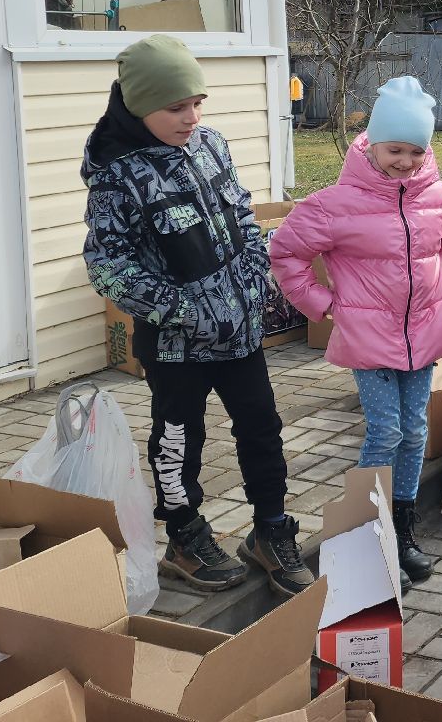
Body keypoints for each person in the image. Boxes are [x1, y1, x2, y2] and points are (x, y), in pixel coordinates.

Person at [82, 34, 314, 598]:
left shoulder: (211, 144)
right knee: (177, 438)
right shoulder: (118, 175)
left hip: (240, 332)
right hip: (175, 346)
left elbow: (241, 214)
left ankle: (270, 531)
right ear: (139, 106)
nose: (192, 116)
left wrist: (257, 280)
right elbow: (106, 265)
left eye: (197, 102)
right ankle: (184, 536)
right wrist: (184, 309)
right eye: (176, 107)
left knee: (262, 428)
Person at [270, 76, 442, 584]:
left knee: (415, 432)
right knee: (385, 432)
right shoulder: (335, 203)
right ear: (373, 144)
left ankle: (402, 532)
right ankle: (366, 533)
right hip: (369, 341)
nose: (404, 161)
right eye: (394, 149)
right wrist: (322, 305)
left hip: (425, 335)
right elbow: (285, 252)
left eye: (415, 150)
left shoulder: (440, 196)